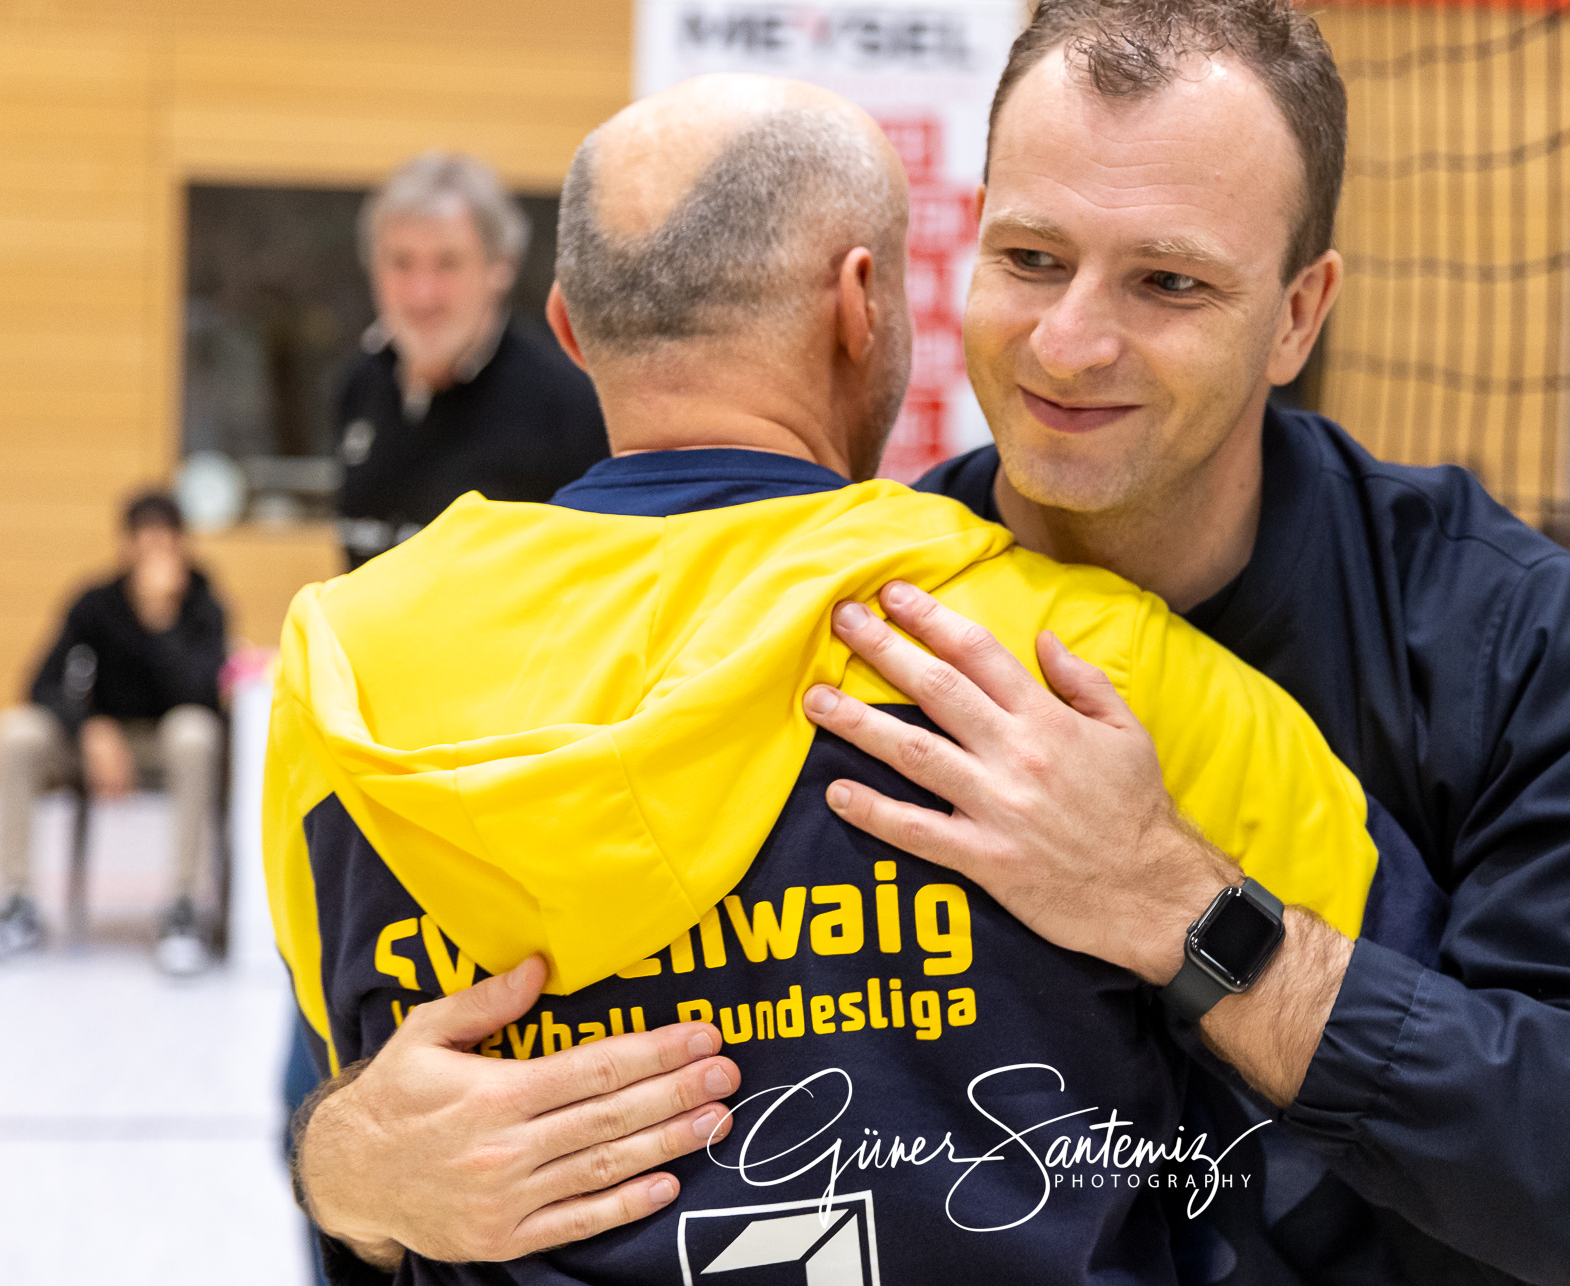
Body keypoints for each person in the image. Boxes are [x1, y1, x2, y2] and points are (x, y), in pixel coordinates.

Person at [275, 75, 1385, 1285]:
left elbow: (371, 1108)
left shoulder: (341, 673)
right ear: (862, 305)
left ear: (569, 327)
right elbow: (1377, 1099)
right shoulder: (1098, 666)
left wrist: (333, 1168)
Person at [799, 0, 1570, 1286]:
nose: (1069, 343)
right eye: (1031, 259)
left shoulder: (1504, 636)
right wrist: (400, 1178)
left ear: (1298, 314)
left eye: (1167, 284)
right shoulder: (842, 621)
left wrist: (1181, 910)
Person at [0, 490, 227, 974]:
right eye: (143, 542)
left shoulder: (202, 605)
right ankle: (16, 903)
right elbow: (42, 682)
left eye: (166, 542)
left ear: (183, 545)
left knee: (194, 732)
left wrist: (161, 622)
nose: (155, 554)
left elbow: (203, 694)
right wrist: (89, 728)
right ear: (126, 546)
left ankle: (184, 907)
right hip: (98, 741)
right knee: (16, 732)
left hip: (164, 744)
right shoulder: (96, 603)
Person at [335, 151, 608, 569]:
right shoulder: (360, 387)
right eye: (401, 263)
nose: (422, 294)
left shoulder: (569, 405)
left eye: (447, 263)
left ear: (501, 267)